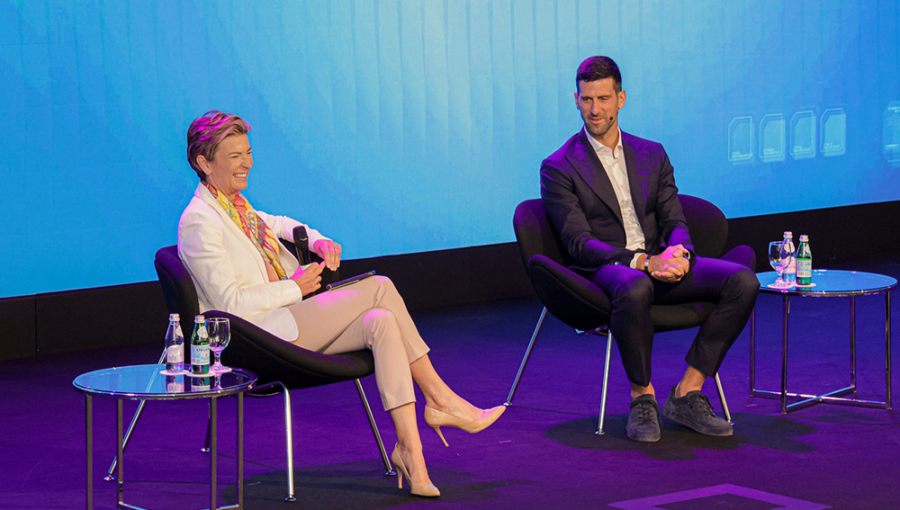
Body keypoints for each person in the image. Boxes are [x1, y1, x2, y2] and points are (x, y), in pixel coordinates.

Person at [178, 110, 504, 497]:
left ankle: (411, 454)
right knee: (380, 286)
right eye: (234, 156)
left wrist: (316, 240)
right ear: (203, 162)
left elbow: (278, 224)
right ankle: (441, 398)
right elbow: (229, 304)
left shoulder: (238, 209)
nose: (247, 163)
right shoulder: (200, 222)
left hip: (283, 320)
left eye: (248, 152)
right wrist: (296, 288)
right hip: (258, 337)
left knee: (382, 321)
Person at [539, 57, 759, 442]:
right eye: (587, 99)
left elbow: (676, 220)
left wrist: (680, 255)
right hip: (607, 267)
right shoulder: (559, 166)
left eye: (603, 98)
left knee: (742, 280)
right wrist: (643, 262)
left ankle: (688, 393)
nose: (595, 109)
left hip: (658, 258)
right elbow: (579, 243)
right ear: (576, 100)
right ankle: (643, 399)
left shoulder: (651, 153)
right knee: (635, 286)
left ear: (620, 98)